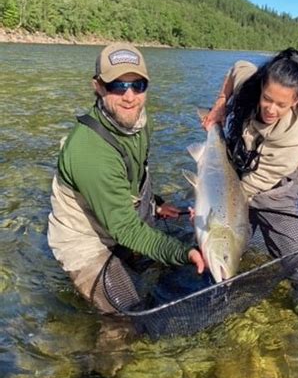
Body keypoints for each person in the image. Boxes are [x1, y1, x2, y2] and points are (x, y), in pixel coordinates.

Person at [48, 43, 204, 326]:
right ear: (98, 86)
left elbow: (135, 174)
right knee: (126, 318)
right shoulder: (89, 150)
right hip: (88, 241)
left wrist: (156, 204)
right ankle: (101, 366)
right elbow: (126, 229)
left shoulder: (140, 122)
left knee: (151, 266)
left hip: (119, 216)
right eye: (117, 85)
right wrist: (183, 252)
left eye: (138, 85)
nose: (130, 97)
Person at [202, 48, 298, 334]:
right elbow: (236, 68)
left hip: (271, 191)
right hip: (236, 174)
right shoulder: (251, 81)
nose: (270, 109)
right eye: (266, 99)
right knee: (213, 250)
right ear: (262, 85)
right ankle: (216, 299)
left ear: (296, 100)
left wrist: (212, 201)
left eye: (280, 104)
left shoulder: (294, 141)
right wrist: (220, 105)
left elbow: (245, 189)